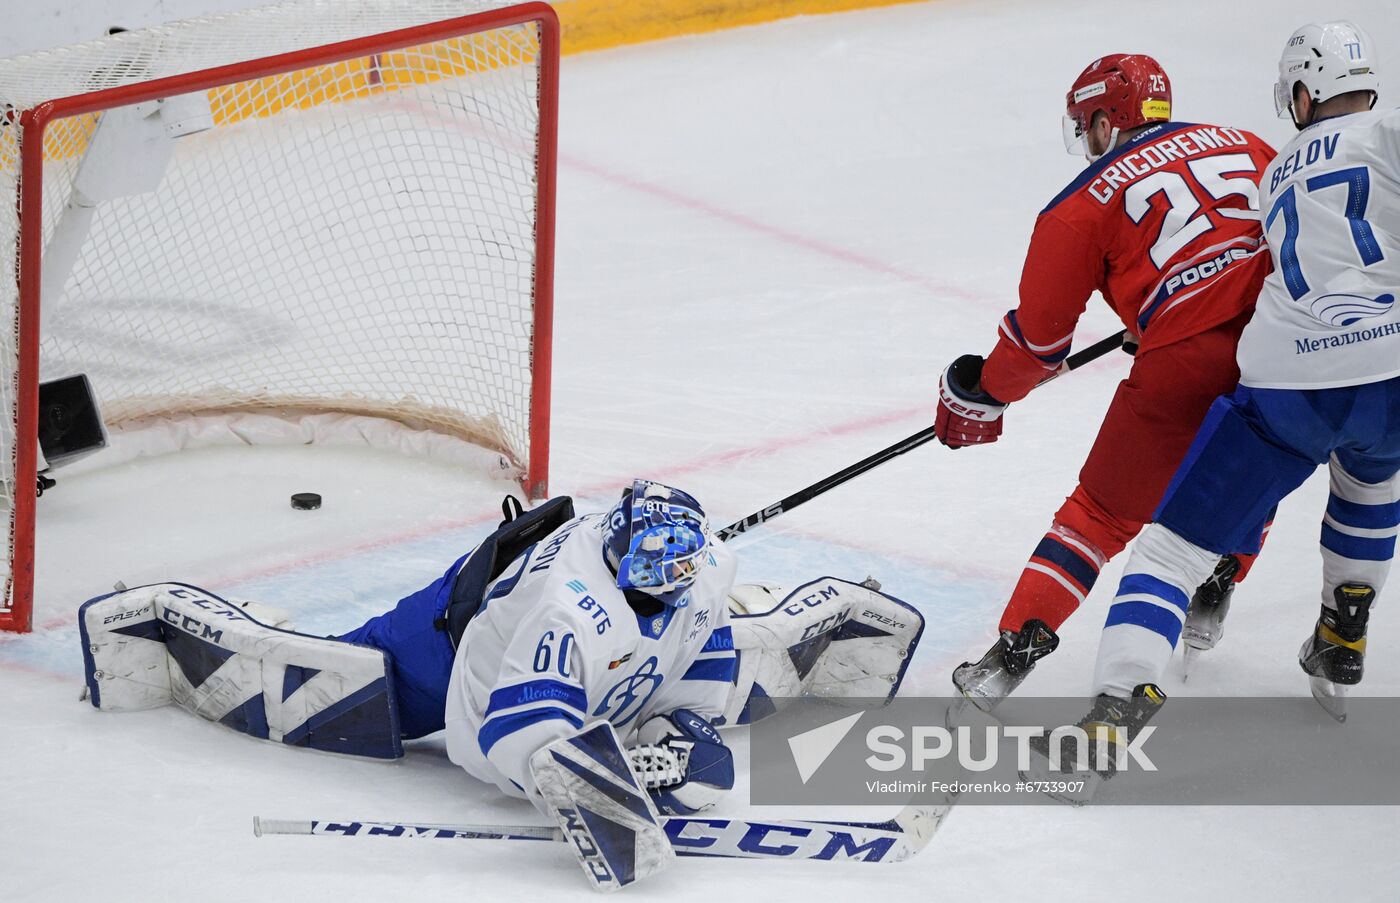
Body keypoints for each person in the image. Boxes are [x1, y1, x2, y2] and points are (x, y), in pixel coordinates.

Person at [78, 479, 923, 826]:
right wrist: (580, 780)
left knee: (717, 658)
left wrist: (689, 724)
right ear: (624, 562)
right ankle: (170, 621)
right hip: (448, 646)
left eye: (679, 569)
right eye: (654, 572)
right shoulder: (571, 609)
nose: (672, 582)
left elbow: (703, 634)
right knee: (327, 697)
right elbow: (497, 738)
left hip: (547, 640)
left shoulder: (700, 567)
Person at [935, 54, 1278, 709]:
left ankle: (1010, 655)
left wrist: (981, 394)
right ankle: (1222, 571)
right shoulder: (1245, 141)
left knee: (1095, 519)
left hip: (1185, 359)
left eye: (1084, 124)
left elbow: (1037, 345)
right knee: (1266, 449)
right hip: (1286, 333)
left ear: (1100, 120)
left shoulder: (1077, 206)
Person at [1089, 21, 1396, 726]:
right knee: (1371, 476)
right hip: (1392, 374)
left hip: (1288, 386)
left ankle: (1115, 708)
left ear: (1302, 90)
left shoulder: (1275, 169)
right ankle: (1343, 629)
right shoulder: (1386, 134)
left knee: (1170, 552)